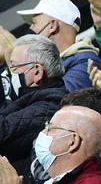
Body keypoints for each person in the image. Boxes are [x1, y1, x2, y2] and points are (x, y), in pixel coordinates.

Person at [6, 0, 101, 91]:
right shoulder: (64, 61)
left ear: (52, 26)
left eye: (34, 23)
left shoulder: (87, 64)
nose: (30, 29)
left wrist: (14, 56)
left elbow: (56, 101)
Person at [0, 35, 68, 173]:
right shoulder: (30, 99)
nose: (9, 74)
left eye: (13, 67)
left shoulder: (49, 106)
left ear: (37, 71)